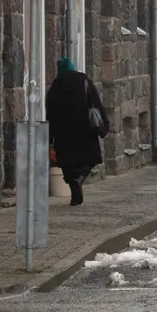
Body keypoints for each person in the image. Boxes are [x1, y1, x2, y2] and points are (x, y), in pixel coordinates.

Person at [46, 58, 108, 206]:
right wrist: (105, 125)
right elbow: (96, 104)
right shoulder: (85, 81)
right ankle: (79, 178)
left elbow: (51, 113)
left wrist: (49, 138)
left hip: (63, 132)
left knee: (67, 163)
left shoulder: (55, 87)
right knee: (89, 159)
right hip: (85, 129)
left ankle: (75, 194)